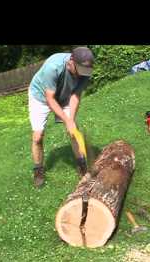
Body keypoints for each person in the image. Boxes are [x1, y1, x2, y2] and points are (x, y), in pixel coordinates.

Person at [28, 46, 94, 188]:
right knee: (37, 136)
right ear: (71, 61)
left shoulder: (85, 71)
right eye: (79, 70)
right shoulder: (53, 66)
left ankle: (82, 167)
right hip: (41, 96)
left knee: (74, 131)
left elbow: (76, 95)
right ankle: (38, 170)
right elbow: (50, 99)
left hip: (66, 94)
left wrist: (70, 121)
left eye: (84, 71)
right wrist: (66, 119)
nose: (81, 75)